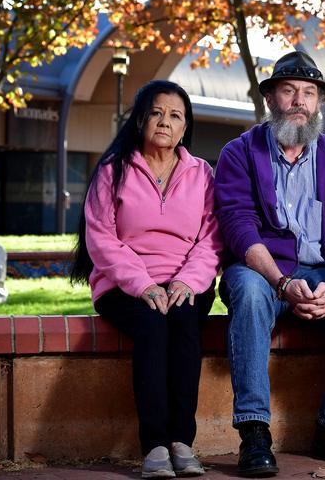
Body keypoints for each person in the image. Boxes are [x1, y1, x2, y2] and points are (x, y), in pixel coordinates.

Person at [214, 51, 325, 478]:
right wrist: (281, 281)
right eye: (289, 90)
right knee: (250, 297)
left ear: (318, 103)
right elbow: (238, 227)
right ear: (271, 97)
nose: (299, 101)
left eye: (309, 93)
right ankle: (254, 433)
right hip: (261, 271)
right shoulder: (239, 153)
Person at [70, 80, 223, 478]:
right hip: (124, 285)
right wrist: (144, 285)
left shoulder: (202, 174)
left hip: (186, 282)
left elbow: (211, 239)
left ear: (185, 127)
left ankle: (181, 441)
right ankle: (154, 444)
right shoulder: (112, 171)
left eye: (175, 116)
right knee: (152, 327)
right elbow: (100, 238)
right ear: (140, 119)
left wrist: (187, 282)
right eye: (157, 112)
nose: (165, 122)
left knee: (186, 324)